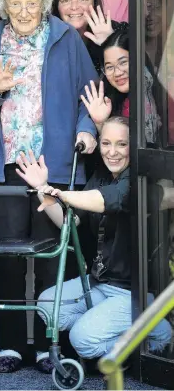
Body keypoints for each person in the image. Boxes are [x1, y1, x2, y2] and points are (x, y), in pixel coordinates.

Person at [0, 0, 98, 373]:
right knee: (8, 257)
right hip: (6, 164)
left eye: (32, 3)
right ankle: (8, 347)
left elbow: (88, 94)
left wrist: (89, 130)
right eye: (15, 3)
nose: (24, 11)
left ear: (44, 4)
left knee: (47, 260)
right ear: (4, 5)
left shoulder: (64, 38)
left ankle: (46, 346)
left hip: (52, 166)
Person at [15, 117, 172, 361]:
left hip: (134, 293)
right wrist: (42, 187)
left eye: (122, 144)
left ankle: (158, 336)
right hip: (100, 283)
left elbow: (108, 200)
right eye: (106, 143)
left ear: (135, 145)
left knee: (83, 340)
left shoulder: (141, 180)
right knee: (47, 305)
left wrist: (61, 194)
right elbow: (71, 221)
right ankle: (122, 328)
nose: (112, 152)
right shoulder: (101, 175)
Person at [81, 29, 160, 145]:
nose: (117, 73)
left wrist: (113, 36)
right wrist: (99, 123)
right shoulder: (105, 103)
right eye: (109, 67)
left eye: (123, 62)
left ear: (138, 60)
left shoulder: (152, 89)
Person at [53, 0, 128, 74]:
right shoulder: (46, 38)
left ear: (94, 1)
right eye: (66, 0)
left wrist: (110, 42)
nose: (74, 7)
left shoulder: (117, 30)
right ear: (57, 6)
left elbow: (138, 77)